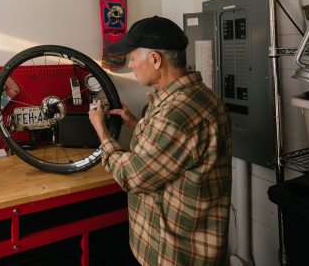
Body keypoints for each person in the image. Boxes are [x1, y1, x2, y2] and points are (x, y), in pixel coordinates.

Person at [89, 16, 232, 266]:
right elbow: (175, 149)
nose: (131, 65)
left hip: (173, 255)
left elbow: (133, 177)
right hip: (178, 246)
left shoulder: (176, 114)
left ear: (155, 59)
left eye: (132, 59)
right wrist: (135, 123)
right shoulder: (198, 96)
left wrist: (102, 131)